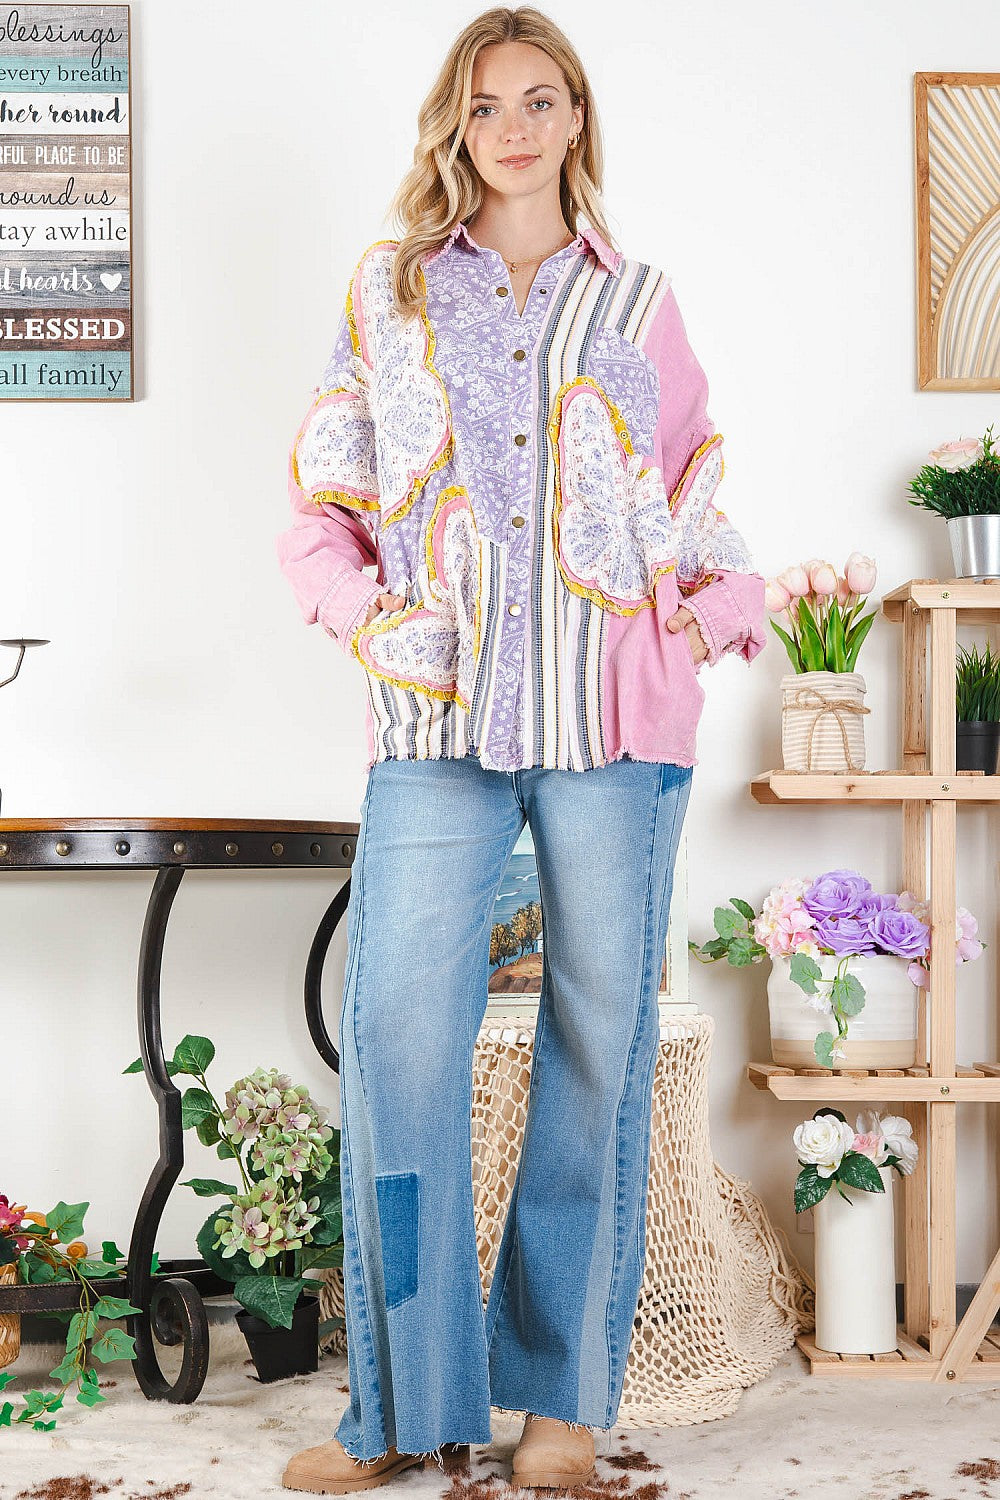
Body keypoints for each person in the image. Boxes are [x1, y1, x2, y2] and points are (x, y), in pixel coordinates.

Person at [275, 6, 765, 1494]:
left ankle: (561, 1403)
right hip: (435, 717)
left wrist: (715, 609)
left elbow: (692, 491)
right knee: (401, 1044)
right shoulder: (390, 293)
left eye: (540, 99)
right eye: (487, 104)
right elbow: (325, 499)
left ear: (575, 118)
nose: (513, 127)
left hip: (615, 718)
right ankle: (407, 1410)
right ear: (457, 123)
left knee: (597, 1046)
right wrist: (369, 619)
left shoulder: (640, 302)